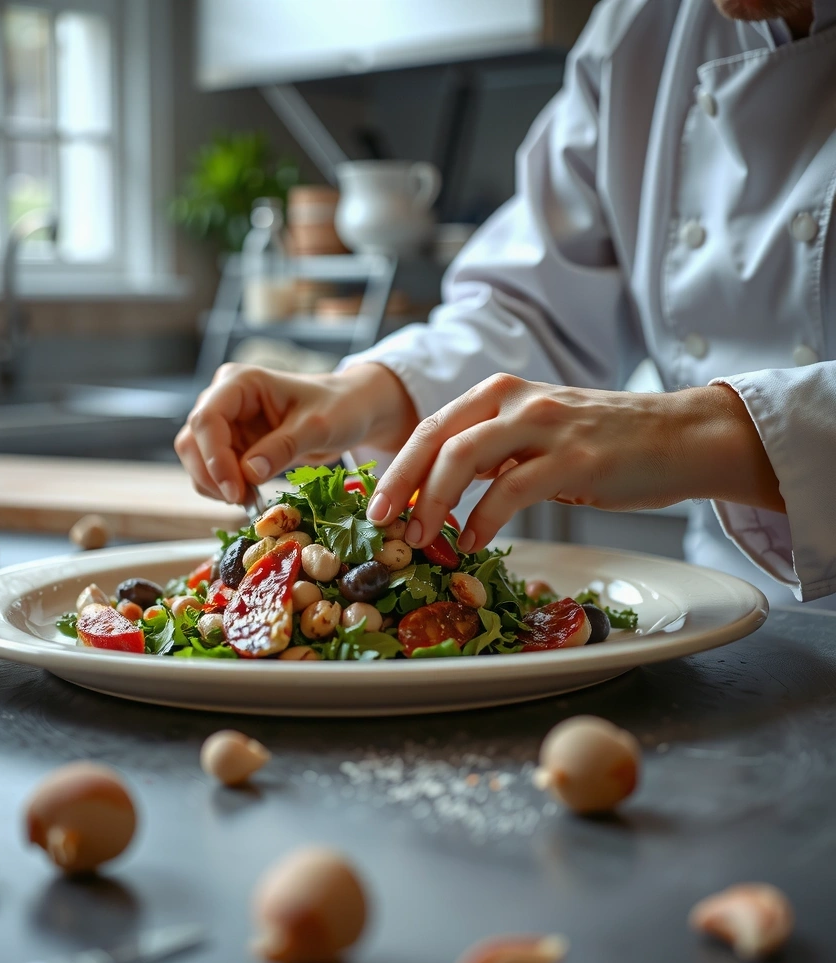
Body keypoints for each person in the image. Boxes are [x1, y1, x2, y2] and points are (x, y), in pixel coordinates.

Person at [175, 0, 836, 609]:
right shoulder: (642, 25)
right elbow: (536, 308)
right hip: (741, 615)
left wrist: (690, 436)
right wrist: (367, 393)